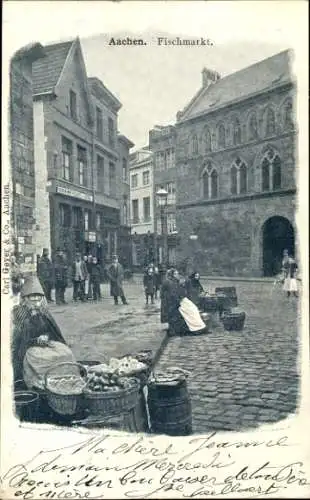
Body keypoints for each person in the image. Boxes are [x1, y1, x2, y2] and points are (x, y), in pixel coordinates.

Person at [11, 275, 71, 385]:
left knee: (65, 353)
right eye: (33, 300)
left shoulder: (44, 313)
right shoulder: (19, 314)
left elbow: (53, 332)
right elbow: (19, 342)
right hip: (27, 350)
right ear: (25, 299)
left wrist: (46, 336)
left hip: (46, 345)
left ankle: (62, 380)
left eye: (39, 299)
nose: (36, 304)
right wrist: (35, 340)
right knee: (39, 361)